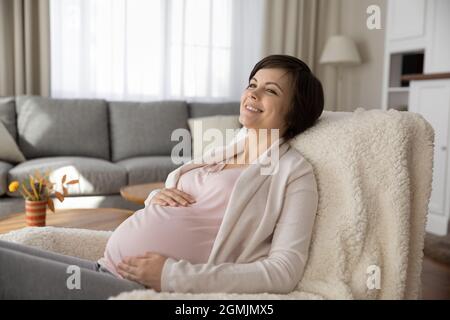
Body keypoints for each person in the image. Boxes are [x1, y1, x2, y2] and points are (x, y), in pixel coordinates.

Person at [0, 54, 324, 299]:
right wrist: (158, 197)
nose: (253, 94)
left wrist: (172, 276)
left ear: (295, 111)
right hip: (107, 268)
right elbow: (189, 203)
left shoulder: (294, 174)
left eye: (270, 91)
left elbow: (284, 272)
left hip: (135, 289)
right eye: (252, 84)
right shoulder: (227, 149)